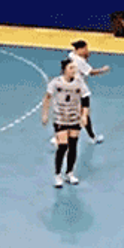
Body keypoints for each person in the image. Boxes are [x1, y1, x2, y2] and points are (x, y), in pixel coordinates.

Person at [49, 40, 110, 147]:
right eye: (85, 49)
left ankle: (58, 137)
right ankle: (92, 137)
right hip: (80, 92)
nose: (87, 50)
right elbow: (91, 72)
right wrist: (103, 70)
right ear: (80, 49)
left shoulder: (71, 55)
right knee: (83, 115)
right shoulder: (79, 61)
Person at [41, 59, 90, 188]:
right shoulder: (56, 83)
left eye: (75, 68)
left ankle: (69, 173)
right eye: (71, 68)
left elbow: (85, 100)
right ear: (64, 70)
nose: (74, 70)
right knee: (63, 146)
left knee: (73, 145)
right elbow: (47, 98)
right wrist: (45, 114)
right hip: (60, 118)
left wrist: (84, 115)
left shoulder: (79, 83)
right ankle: (57, 175)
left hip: (74, 118)